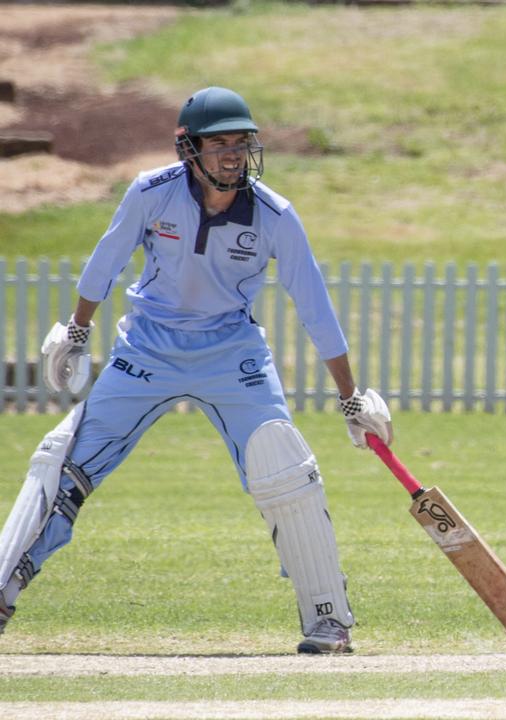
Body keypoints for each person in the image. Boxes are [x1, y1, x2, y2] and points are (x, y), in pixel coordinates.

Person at [0, 86, 393, 654]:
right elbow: (106, 261)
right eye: (220, 144)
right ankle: (4, 588)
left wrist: (351, 398)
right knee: (60, 461)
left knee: (285, 466)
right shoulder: (151, 193)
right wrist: (79, 329)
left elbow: (316, 309)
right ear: (189, 148)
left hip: (231, 353)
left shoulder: (275, 215)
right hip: (146, 351)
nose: (234, 155)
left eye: (243, 143)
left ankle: (328, 620)